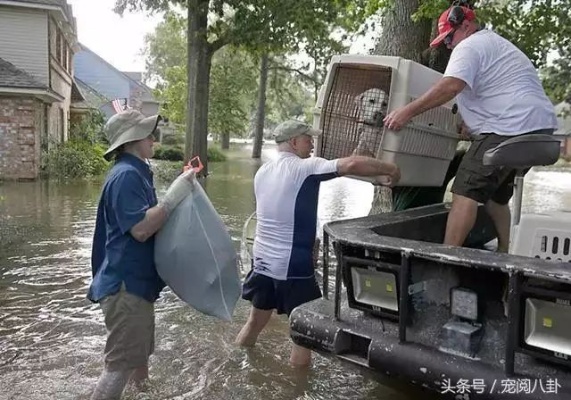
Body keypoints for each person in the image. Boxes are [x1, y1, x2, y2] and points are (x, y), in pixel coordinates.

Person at [383, 5, 558, 252]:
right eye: (444, 41)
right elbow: (495, 89)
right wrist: (470, 123)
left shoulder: (469, 46)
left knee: (464, 191)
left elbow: (451, 86)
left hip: (510, 128)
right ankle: (505, 252)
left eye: (449, 38)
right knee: (495, 200)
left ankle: (445, 259)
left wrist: (405, 112)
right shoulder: (496, 45)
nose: (448, 45)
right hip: (540, 129)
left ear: (465, 26)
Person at [235, 120, 401, 367]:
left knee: (254, 323)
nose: (312, 143)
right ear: (293, 142)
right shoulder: (304, 168)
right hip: (291, 265)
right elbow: (352, 163)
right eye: (307, 138)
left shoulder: (263, 171)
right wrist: (390, 169)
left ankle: (238, 363)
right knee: (303, 336)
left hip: (261, 261)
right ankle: (298, 389)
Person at [89, 109, 196, 399]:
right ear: (132, 138)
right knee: (118, 367)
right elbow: (140, 229)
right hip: (125, 288)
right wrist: (175, 193)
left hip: (134, 285)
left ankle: (143, 394)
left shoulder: (136, 171)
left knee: (137, 359)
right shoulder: (126, 175)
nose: (153, 136)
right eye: (148, 132)